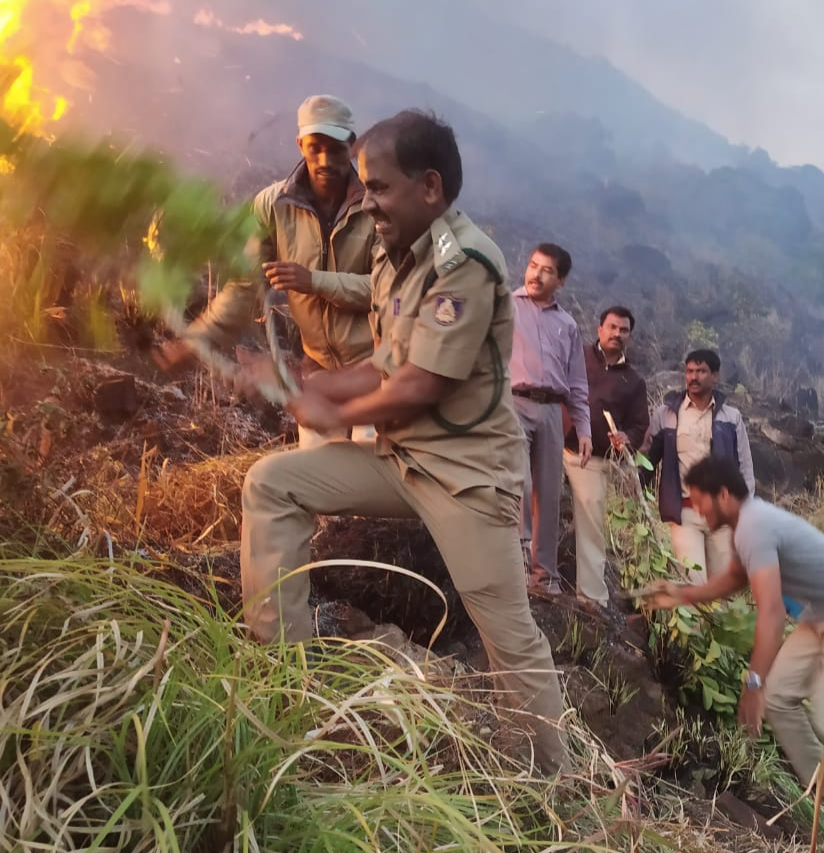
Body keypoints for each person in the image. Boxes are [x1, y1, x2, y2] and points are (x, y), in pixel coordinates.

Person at [238, 109, 566, 772]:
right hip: (398, 460)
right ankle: (286, 683)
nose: (367, 201)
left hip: (465, 479)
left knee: (507, 633)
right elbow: (387, 361)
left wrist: (337, 408)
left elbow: (419, 384)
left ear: (430, 187)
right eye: (366, 186)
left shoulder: (466, 262)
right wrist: (311, 382)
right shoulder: (394, 261)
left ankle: (555, 781)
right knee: (272, 484)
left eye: (379, 187)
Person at [641, 456, 824, 852]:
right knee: (780, 700)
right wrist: (680, 593)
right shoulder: (748, 525)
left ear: (723, 495)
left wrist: (753, 681)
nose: (695, 508)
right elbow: (731, 581)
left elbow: (773, 612)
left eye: (698, 499)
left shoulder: (755, 527)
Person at [156, 94, 377, 445]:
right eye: (314, 147)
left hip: (375, 374)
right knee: (320, 481)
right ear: (299, 143)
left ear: (351, 147)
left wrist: (315, 281)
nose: (324, 160)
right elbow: (246, 286)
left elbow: (389, 289)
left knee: (376, 476)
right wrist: (197, 342)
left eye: (335, 149)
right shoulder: (274, 206)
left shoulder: (376, 206)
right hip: (316, 375)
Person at [510, 242, 591, 593]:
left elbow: (576, 382)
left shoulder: (567, 324)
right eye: (532, 265)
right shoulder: (505, 306)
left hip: (552, 411)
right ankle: (518, 566)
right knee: (519, 483)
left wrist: (583, 427)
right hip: (512, 402)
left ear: (561, 280)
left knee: (548, 492)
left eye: (546, 270)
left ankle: (545, 576)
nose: (536, 274)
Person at [562, 306, 649, 605]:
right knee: (533, 507)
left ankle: (591, 598)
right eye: (612, 327)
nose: (617, 334)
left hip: (593, 459)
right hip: (555, 444)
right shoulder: (577, 354)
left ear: (629, 336)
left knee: (591, 527)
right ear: (599, 329)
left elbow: (639, 426)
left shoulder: (634, 382)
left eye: (623, 330)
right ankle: (533, 577)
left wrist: (626, 438)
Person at [644, 348, 754, 583]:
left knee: (722, 587)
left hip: (723, 515)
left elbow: (744, 468)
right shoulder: (666, 414)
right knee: (692, 585)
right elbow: (646, 458)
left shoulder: (731, 417)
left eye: (701, 371)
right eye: (690, 371)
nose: (693, 377)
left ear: (715, 375)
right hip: (684, 513)